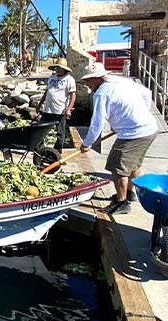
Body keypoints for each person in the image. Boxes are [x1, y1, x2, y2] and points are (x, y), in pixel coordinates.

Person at [79, 64, 158, 215]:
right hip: (149, 128)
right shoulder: (122, 81)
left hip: (134, 133)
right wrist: (139, 115)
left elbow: (97, 123)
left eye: (88, 81)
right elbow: (146, 93)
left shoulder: (102, 93)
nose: (86, 84)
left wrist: (87, 143)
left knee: (117, 167)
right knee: (133, 165)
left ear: (96, 78)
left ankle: (121, 203)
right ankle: (130, 193)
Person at [36, 58, 77, 149]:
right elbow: (47, 92)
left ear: (64, 69)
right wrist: (39, 105)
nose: (57, 70)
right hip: (47, 109)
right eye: (56, 68)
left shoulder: (69, 79)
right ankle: (40, 148)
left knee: (60, 132)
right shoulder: (52, 78)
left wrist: (69, 109)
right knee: (40, 129)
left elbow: (73, 96)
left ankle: (57, 152)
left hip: (60, 110)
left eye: (59, 68)